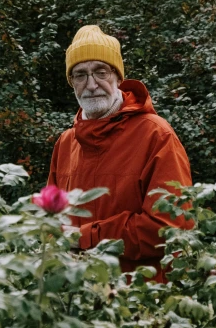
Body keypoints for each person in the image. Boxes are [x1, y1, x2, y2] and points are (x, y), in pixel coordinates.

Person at [47, 25, 193, 282]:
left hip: (142, 299)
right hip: (80, 297)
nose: (91, 85)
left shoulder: (156, 135)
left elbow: (168, 229)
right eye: (80, 75)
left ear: (117, 77)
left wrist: (86, 237)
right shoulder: (66, 143)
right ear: (72, 84)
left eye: (100, 72)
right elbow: (49, 223)